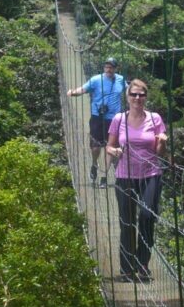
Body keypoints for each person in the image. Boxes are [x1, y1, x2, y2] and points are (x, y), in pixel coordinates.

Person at [106, 79, 168, 282]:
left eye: (141, 94)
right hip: (125, 175)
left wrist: (162, 143)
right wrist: (113, 150)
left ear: (146, 97)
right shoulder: (118, 119)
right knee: (127, 222)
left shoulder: (155, 118)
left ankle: (142, 264)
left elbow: (159, 152)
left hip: (150, 174)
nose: (137, 98)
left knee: (147, 217)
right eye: (133, 94)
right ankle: (126, 269)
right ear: (127, 97)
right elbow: (110, 145)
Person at [68, 57, 126, 188]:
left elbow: (128, 92)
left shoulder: (121, 80)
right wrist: (73, 92)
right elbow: (83, 89)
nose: (108, 69)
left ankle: (104, 177)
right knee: (95, 148)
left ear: (115, 69)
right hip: (97, 117)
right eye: (107, 66)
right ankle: (94, 164)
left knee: (109, 149)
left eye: (111, 67)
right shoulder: (96, 79)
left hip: (114, 119)